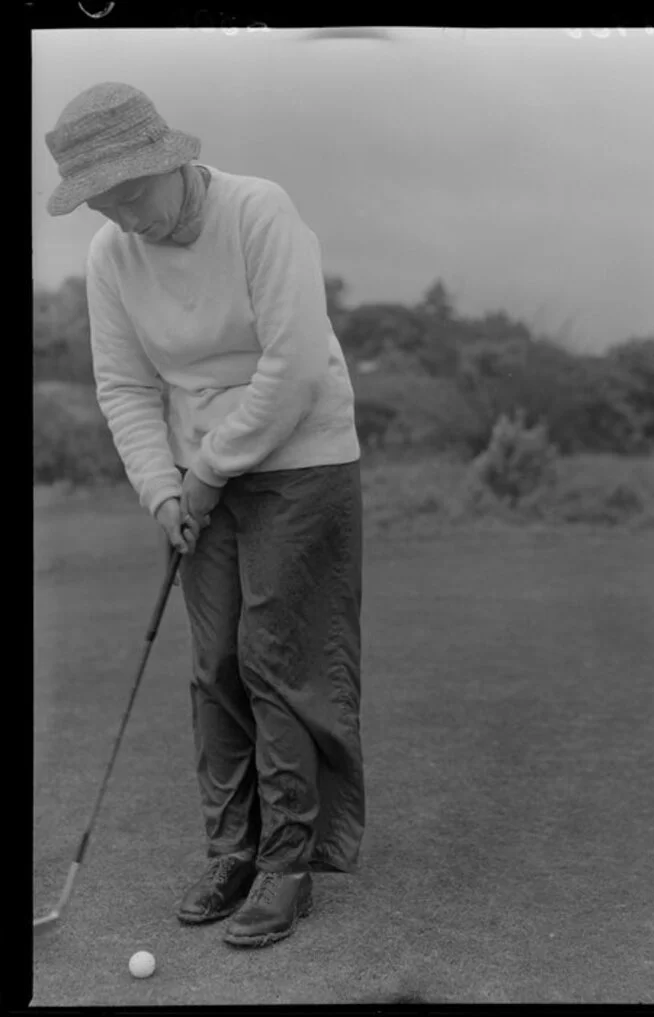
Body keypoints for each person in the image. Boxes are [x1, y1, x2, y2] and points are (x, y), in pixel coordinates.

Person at [44, 82, 366, 949]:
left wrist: (209, 471)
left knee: (276, 657)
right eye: (101, 202)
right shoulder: (112, 255)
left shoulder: (260, 211)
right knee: (214, 661)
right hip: (195, 475)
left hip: (302, 456)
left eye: (130, 191)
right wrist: (162, 488)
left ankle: (287, 863)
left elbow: (295, 366)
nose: (123, 215)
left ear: (170, 158)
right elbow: (125, 386)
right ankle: (233, 848)